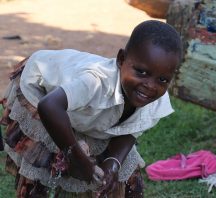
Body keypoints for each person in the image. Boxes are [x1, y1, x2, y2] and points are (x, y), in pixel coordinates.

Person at [0, 20, 182, 197]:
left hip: (78, 109)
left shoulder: (154, 98)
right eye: (141, 72)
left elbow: (131, 129)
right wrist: (75, 155)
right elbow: (49, 106)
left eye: (163, 79)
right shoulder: (95, 83)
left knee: (120, 173)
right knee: (50, 167)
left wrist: (113, 163)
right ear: (121, 59)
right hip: (43, 92)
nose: (150, 85)